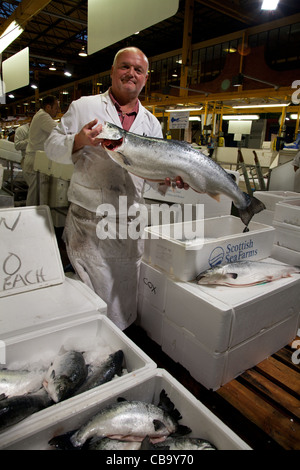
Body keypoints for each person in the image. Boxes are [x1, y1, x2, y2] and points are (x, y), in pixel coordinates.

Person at [44, 47, 164, 330]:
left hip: (129, 222)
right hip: (90, 222)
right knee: (92, 297)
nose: (131, 74)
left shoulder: (152, 123)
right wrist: (79, 140)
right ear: (112, 72)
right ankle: (91, 345)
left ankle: (119, 344)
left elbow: (153, 175)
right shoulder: (83, 107)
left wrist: (168, 179)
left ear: (145, 78)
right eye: (125, 66)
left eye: (138, 70)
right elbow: (50, 146)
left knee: (124, 294)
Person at [23, 95, 59, 206]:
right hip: (35, 160)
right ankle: (30, 220)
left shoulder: (40, 115)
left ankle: (33, 218)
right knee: (34, 197)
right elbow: (58, 130)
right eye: (56, 108)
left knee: (36, 195)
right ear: (48, 107)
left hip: (35, 160)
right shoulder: (43, 116)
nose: (57, 111)